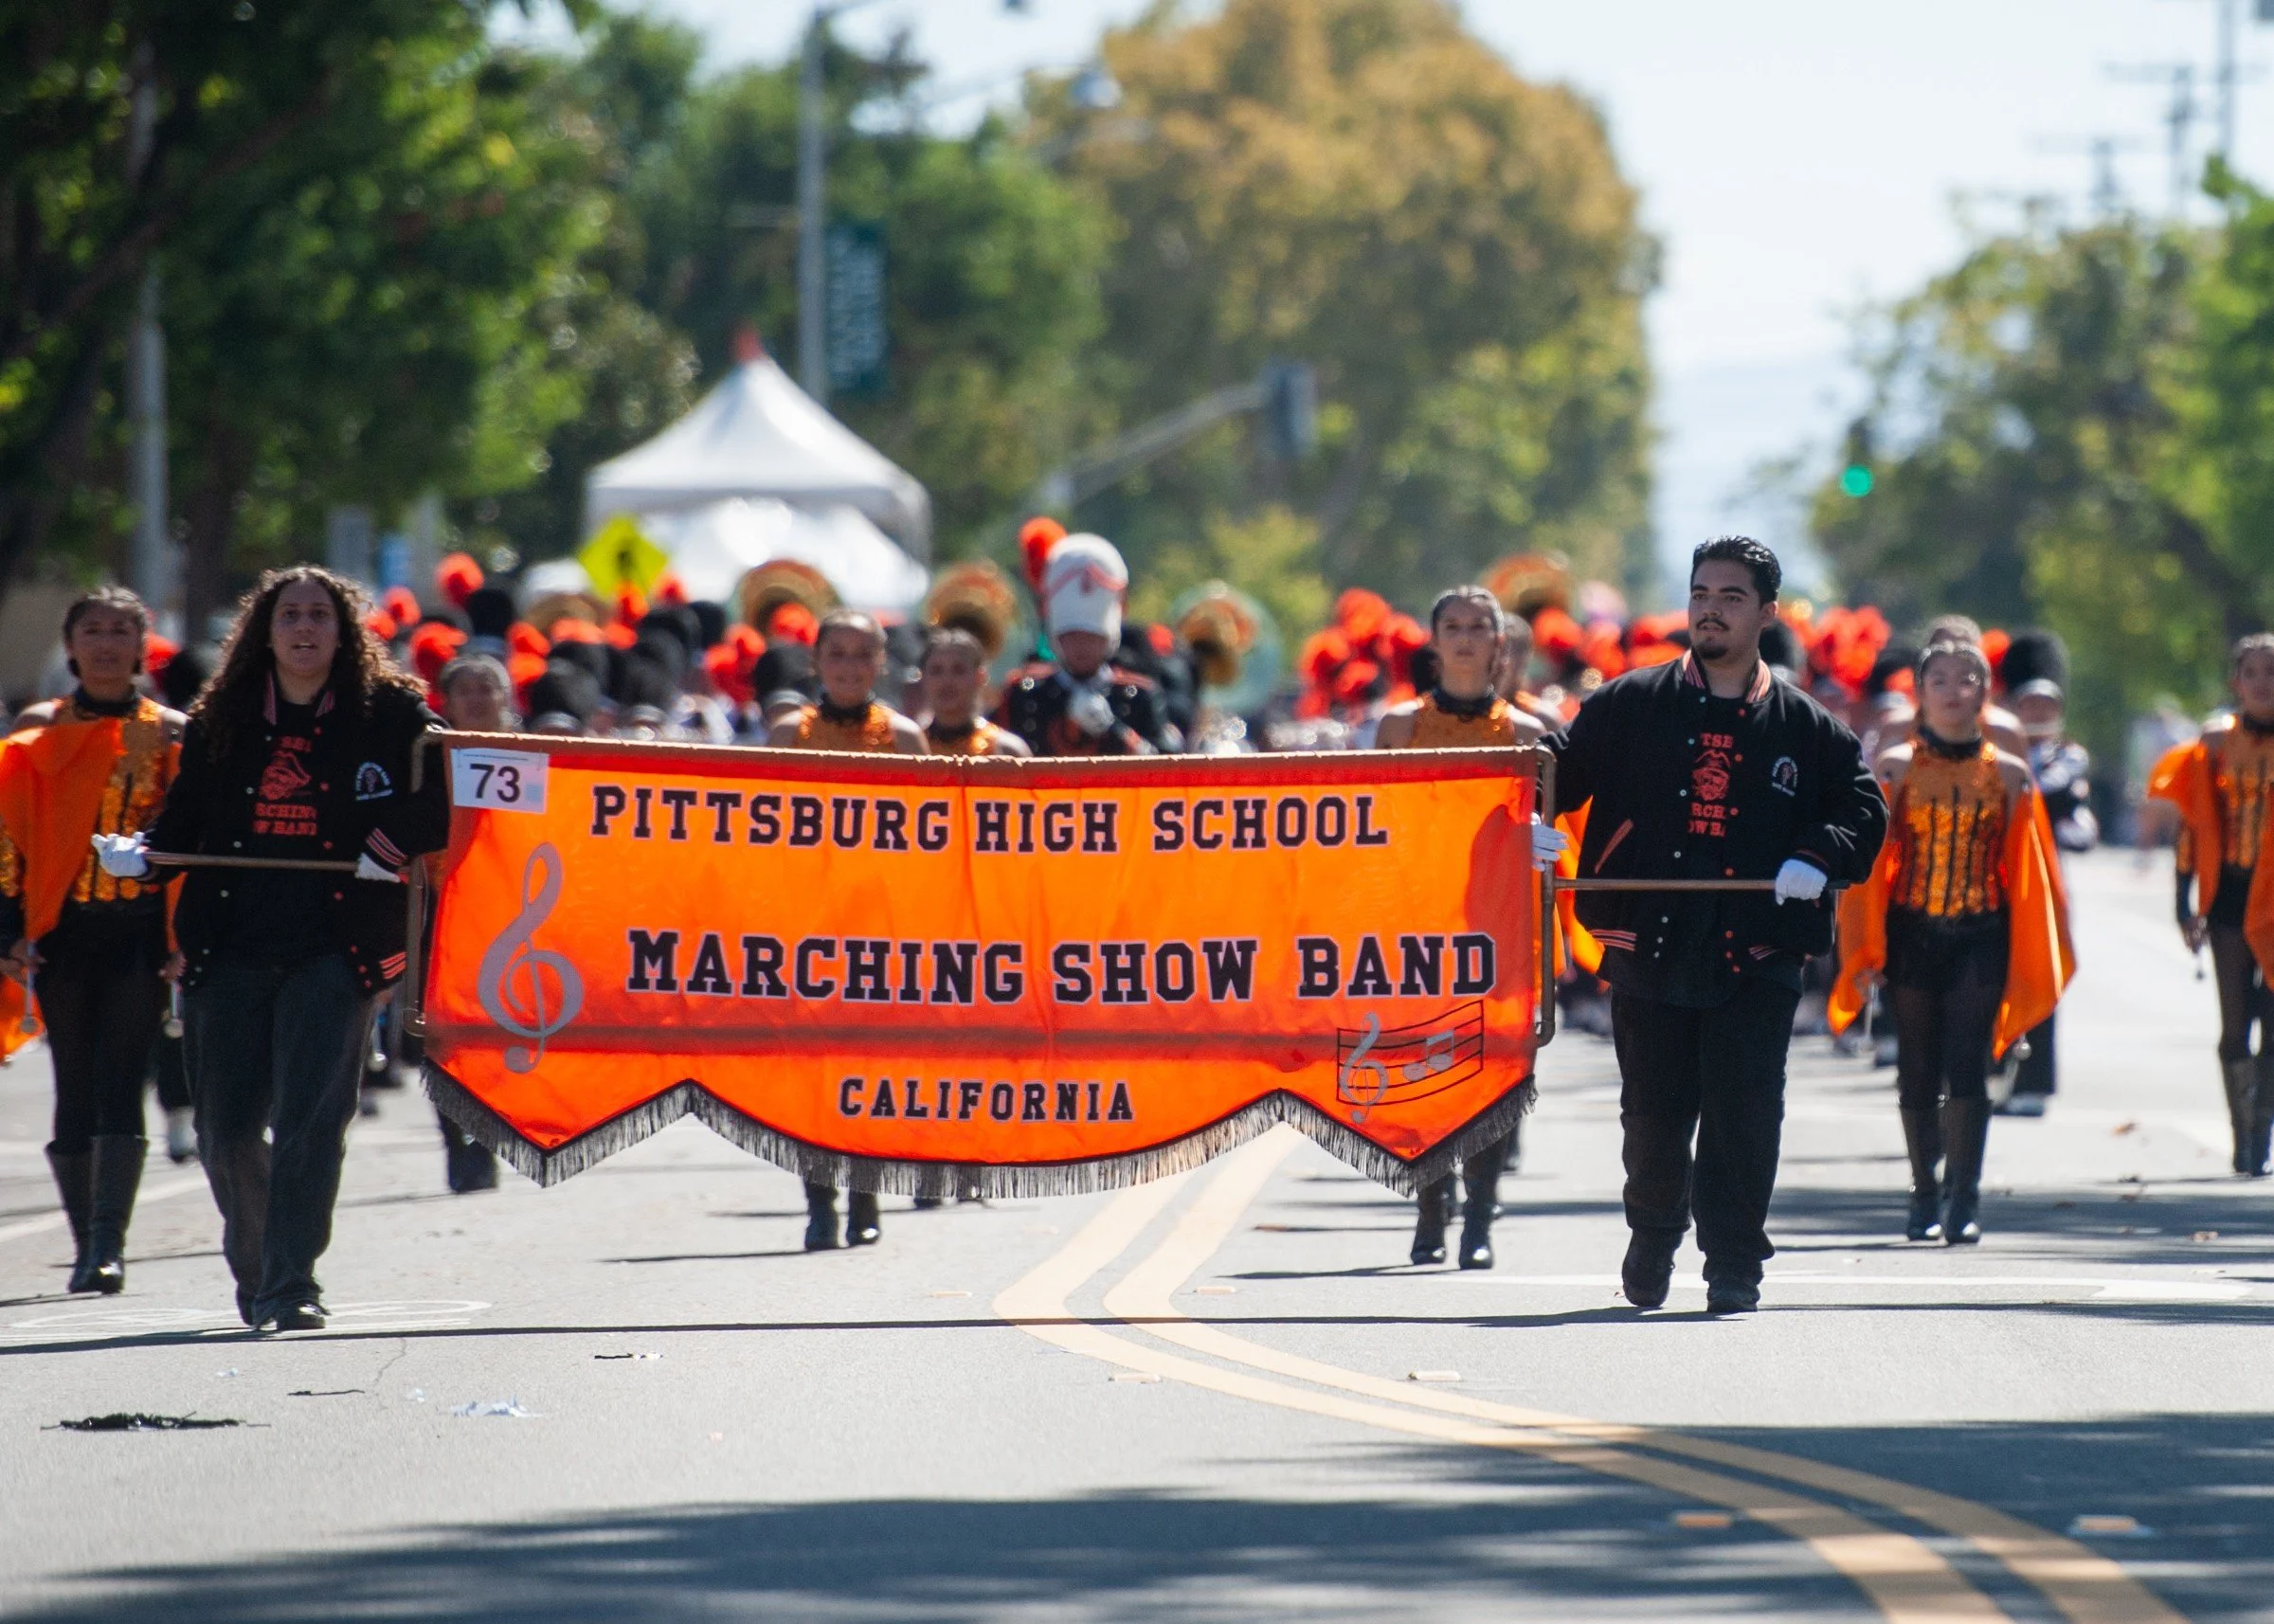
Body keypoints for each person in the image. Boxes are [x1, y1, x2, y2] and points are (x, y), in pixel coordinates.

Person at [1545, 537, 1886, 1315]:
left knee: (1745, 1114)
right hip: (1649, 940)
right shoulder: (1632, 702)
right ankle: (1654, 1231)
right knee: (1654, 1119)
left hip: (1758, 947)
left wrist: (1819, 854)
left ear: (1765, 614)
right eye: (1702, 593)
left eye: (1731, 597)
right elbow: (1554, 775)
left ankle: (1735, 1265)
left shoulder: (1808, 727)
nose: (1711, 608)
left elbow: (1863, 811)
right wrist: (1532, 816)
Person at [102, 567, 447, 1332]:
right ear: (264, 629)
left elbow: (445, 793)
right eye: (287, 614)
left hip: (339, 944)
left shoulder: (392, 712)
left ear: (343, 630)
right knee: (224, 1129)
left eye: (318, 615)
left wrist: (387, 845)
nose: (302, 628)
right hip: (229, 944)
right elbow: (184, 819)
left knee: (310, 1124)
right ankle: (258, 1267)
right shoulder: (221, 714)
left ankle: (292, 1284)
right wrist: (145, 854)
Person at [1837, 642, 2074, 1242]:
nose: (1952, 689)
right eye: (1938, 679)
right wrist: (1865, 947)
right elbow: (1868, 872)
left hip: (1981, 934)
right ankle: (1923, 1192)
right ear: (1920, 691)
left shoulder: (2012, 774)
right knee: (1916, 1068)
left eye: (1965, 679)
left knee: (1967, 1065)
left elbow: (2033, 874)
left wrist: (2030, 957)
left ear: (1984, 692)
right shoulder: (1892, 767)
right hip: (1912, 932)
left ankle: (1964, 1199)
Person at [0, 587, 184, 1293]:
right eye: (92, 631)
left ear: (143, 644)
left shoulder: (171, 733)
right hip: (63, 935)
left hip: (138, 935)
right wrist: (9, 932)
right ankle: (87, 1243)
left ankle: (109, 1242)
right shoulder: (38, 729)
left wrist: (182, 936)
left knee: (121, 1080)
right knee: (73, 1082)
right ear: (70, 644)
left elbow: (187, 844)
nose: (106, 645)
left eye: (120, 631)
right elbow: (10, 836)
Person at [1376, 586, 1546, 1269]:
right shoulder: (1397, 726)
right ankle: (1428, 1207)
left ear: (1500, 643)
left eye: (1481, 627)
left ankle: (1479, 1218)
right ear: (1434, 640)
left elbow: (1551, 827)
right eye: (1454, 626)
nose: (1468, 638)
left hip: (1498, 923)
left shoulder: (1530, 735)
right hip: (1417, 920)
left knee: (1496, 1072)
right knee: (1424, 1070)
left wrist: (1544, 840)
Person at [768, 609, 926, 1249]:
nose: (850, 666)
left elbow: (927, 843)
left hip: (879, 927)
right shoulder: (787, 735)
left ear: (881, 663)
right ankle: (818, 1201)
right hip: (805, 925)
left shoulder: (907, 738)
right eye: (838, 654)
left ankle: (865, 1193)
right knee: (811, 1073)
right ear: (817, 662)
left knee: (869, 1068)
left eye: (864, 655)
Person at [2150, 633, 2274, 1176]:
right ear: (2236, 683)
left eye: (2273, 673)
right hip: (2228, 900)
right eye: (2253, 673)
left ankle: (2260, 1137)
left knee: (2273, 1024)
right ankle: (2240, 1130)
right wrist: (2183, 903)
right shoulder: (2216, 745)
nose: (2264, 684)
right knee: (2234, 1025)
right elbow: (2194, 826)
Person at [425, 654, 513, 1192]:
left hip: (509, 914)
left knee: (497, 1033)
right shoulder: (427, 760)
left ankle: (486, 1136)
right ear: (448, 703)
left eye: (490, 689)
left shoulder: (529, 759)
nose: (479, 700)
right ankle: (455, 1140)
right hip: (441, 908)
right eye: (468, 691)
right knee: (440, 1038)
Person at [997, 534, 1178, 756]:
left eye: (1092, 637)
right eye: (1071, 636)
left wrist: (1115, 731)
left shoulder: (1139, 695)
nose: (1081, 647)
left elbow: (1167, 763)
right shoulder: (1024, 693)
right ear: (1057, 638)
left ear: (1108, 640)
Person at [2004, 676, 2095, 1114]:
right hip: (1999, 878)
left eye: (2046, 705)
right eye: (2029, 705)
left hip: (2045, 879)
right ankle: (1995, 1077)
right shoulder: (1995, 749)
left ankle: (2035, 1084)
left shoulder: (2068, 755)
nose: (2037, 714)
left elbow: (2054, 791)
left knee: (2040, 970)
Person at [917, 628, 1030, 757]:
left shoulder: (1007, 751)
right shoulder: (909, 748)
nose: (947, 681)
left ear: (980, 677)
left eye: (958, 670)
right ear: (923, 677)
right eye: (936, 671)